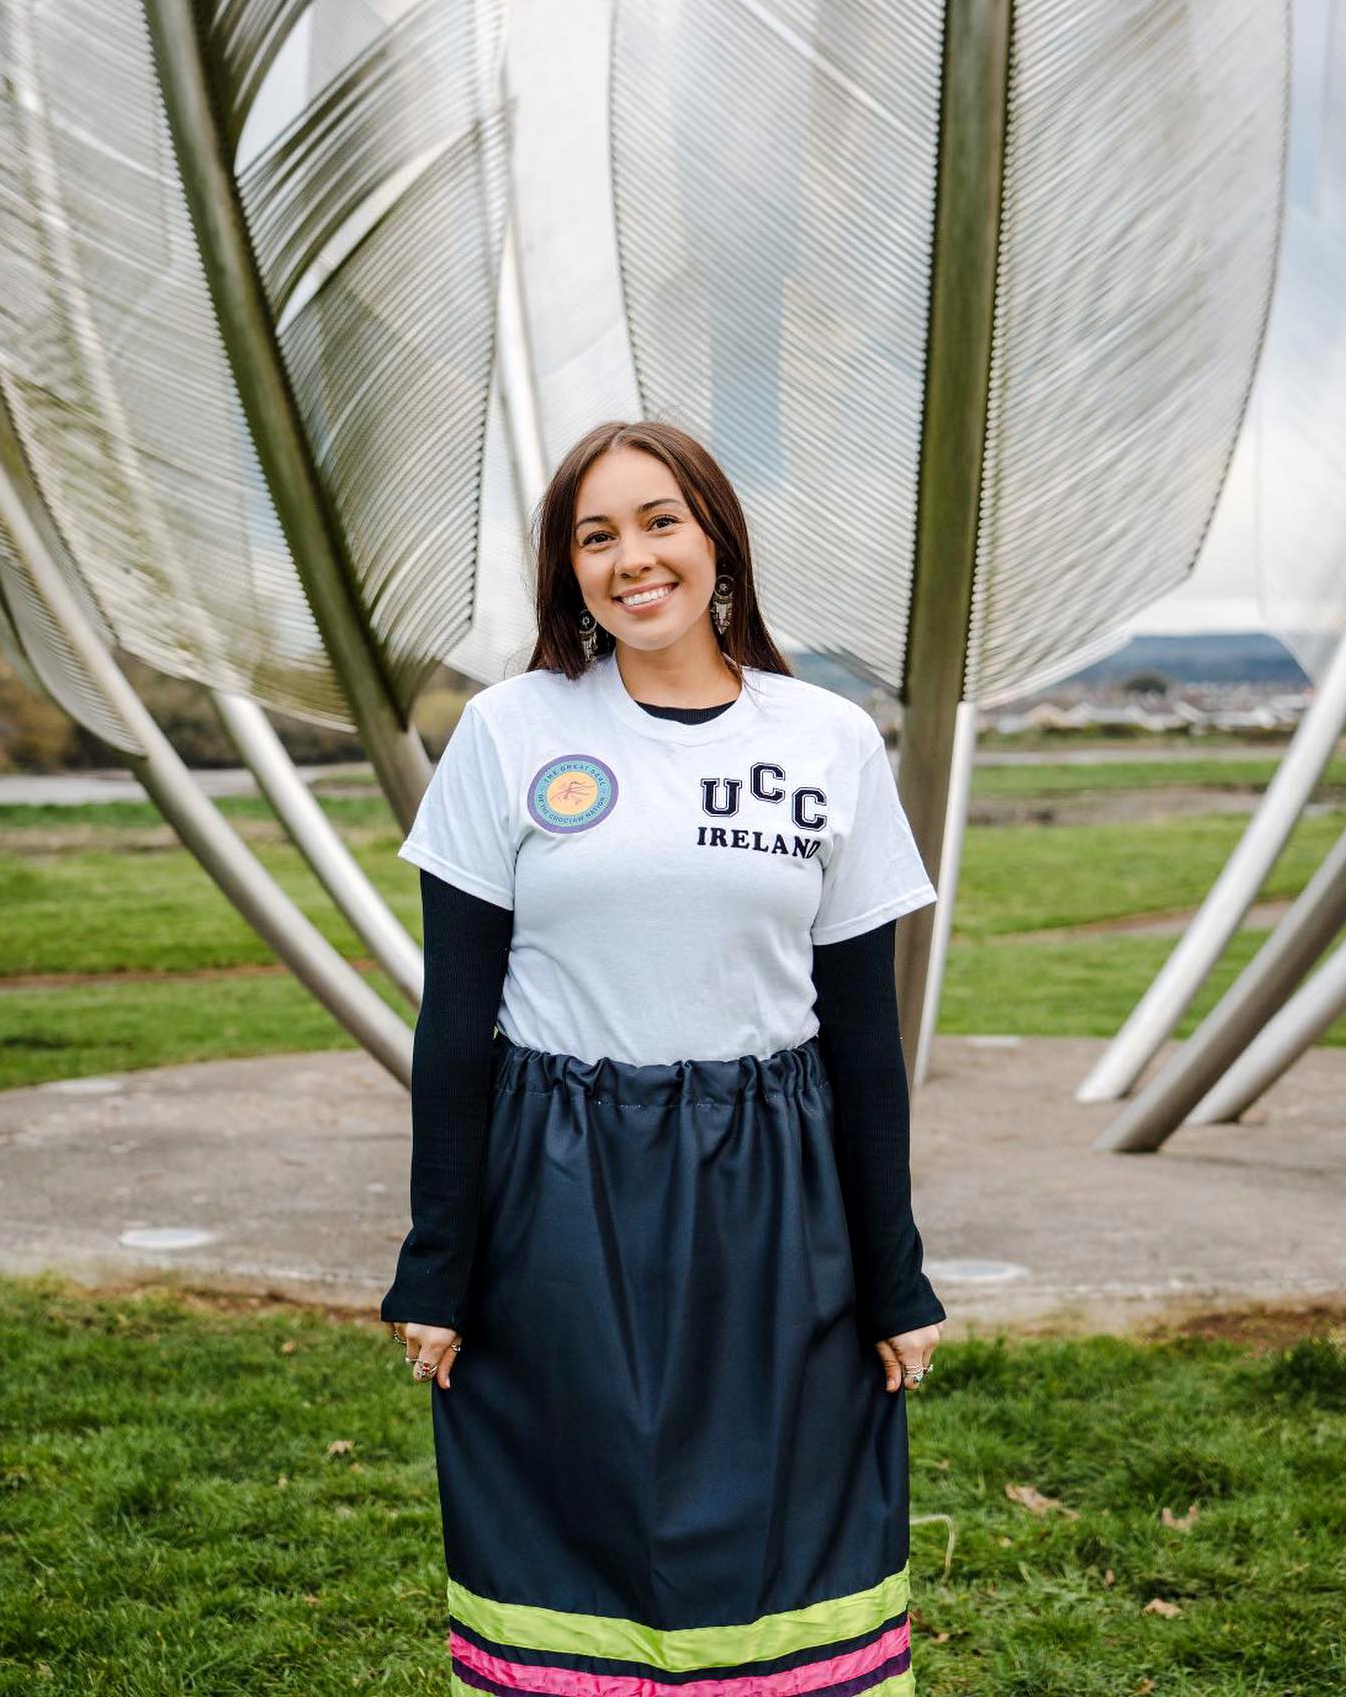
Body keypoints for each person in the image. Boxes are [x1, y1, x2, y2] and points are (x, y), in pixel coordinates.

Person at [381, 418, 945, 1696]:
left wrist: (895, 1276)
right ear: (566, 570)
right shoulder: (513, 730)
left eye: (659, 522)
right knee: (571, 1507)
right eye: (596, 535)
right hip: (558, 1183)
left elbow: (863, 1037)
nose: (631, 558)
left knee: (782, 1512)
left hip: (774, 1186)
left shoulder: (828, 740)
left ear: (716, 541)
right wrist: (438, 1264)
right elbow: (456, 1021)